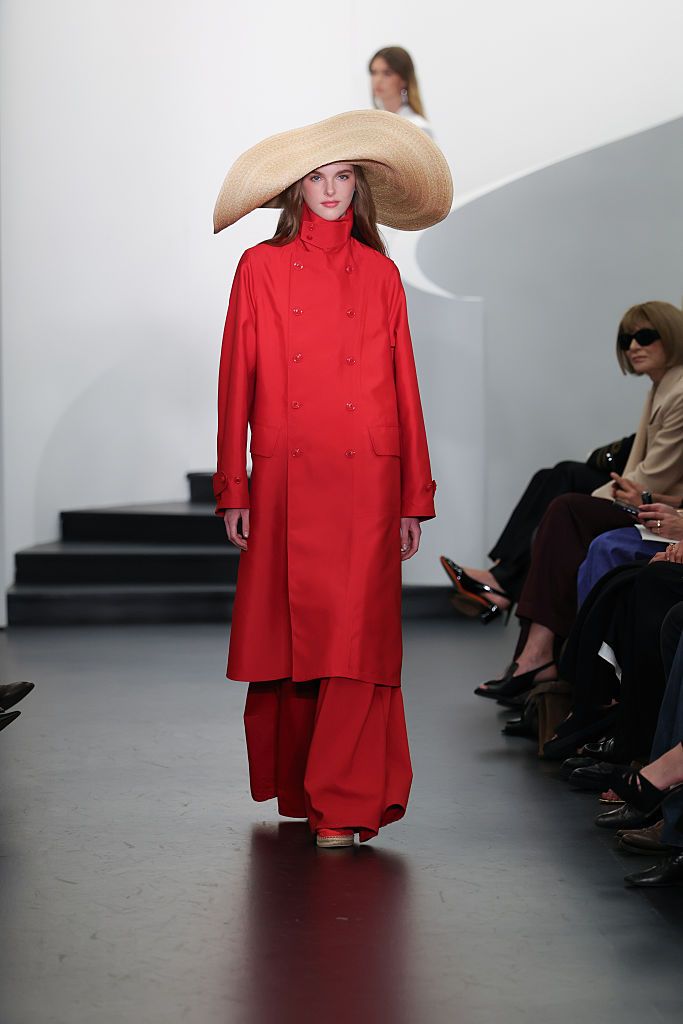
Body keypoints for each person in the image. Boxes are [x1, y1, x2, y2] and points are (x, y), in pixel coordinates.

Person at [212, 110, 452, 848]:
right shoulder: (258, 267)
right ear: (295, 188)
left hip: (366, 480)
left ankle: (343, 805)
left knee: (356, 642)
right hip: (286, 477)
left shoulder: (380, 274)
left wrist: (415, 494)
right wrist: (234, 486)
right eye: (315, 176)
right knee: (295, 639)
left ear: (361, 185)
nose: (329, 189)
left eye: (342, 175)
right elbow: (235, 383)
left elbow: (402, 386)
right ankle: (303, 786)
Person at [473, 301, 683, 700]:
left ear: (671, 335)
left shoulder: (678, 390)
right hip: (650, 496)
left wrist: (614, 495)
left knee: (565, 510)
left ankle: (529, 648)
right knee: (558, 494)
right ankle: (531, 658)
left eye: (645, 336)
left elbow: (654, 478)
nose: (633, 346)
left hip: (661, 506)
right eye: (626, 339)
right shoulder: (662, 386)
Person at [369, 46, 433, 138]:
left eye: (387, 73)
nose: (378, 80)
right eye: (374, 72)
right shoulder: (370, 125)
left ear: (404, 79)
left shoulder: (418, 128)